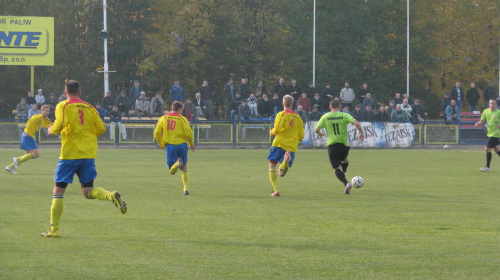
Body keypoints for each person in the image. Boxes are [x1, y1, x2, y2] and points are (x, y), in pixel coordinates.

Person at [40, 80, 127, 238]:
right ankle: (109, 195)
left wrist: (52, 129)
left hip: (70, 154)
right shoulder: (90, 107)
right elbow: (101, 128)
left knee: (58, 191)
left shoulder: (63, 105)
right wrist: (86, 133)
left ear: (65, 93)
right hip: (88, 154)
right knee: (87, 191)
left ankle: (54, 229)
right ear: (80, 93)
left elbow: (58, 125)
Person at [315, 98, 365, 194]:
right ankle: (344, 171)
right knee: (344, 160)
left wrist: (321, 133)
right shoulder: (344, 115)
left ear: (330, 107)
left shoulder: (325, 116)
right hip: (344, 146)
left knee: (336, 169)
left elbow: (316, 130)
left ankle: (346, 183)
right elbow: (357, 123)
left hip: (332, 146)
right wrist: (361, 133)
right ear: (340, 107)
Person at [267, 95, 305, 196]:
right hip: (291, 146)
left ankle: (276, 190)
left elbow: (278, 128)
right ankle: (285, 160)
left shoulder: (282, 114)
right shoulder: (298, 118)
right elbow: (302, 135)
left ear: (283, 103)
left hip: (279, 143)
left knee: (272, 165)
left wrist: (271, 132)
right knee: (282, 173)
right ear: (292, 104)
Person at [154, 101, 195, 195]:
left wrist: (161, 144)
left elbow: (157, 132)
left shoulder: (163, 118)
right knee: (184, 168)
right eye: (182, 110)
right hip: (182, 145)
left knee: (171, 172)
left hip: (170, 146)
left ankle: (177, 163)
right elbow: (189, 133)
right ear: (179, 109)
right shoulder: (183, 119)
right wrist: (191, 144)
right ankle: (186, 189)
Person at [5, 105, 52, 174]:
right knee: (36, 154)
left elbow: (51, 125)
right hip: (27, 135)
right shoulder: (39, 117)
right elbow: (30, 120)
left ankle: (10, 167)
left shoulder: (45, 119)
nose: (47, 112)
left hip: (28, 135)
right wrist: (28, 132)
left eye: (48, 111)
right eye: (45, 110)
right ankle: (16, 159)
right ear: (41, 111)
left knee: (27, 155)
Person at [475, 99, 500, 171]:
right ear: (489, 104)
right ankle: (487, 167)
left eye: (493, 104)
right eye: (491, 103)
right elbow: (482, 120)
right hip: (490, 133)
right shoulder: (486, 111)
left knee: (487, 149)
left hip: (496, 134)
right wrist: (478, 123)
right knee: (497, 149)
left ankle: (487, 167)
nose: (492, 105)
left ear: (496, 104)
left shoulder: (498, 112)